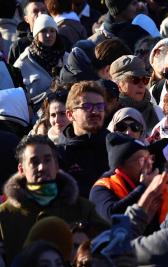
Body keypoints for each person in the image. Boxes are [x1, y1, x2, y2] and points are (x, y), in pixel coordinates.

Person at [0, 135, 109, 264]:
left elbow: (108, 248)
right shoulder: (4, 215)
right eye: (34, 162)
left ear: (56, 165)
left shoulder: (83, 208)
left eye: (47, 160)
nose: (42, 167)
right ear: (21, 169)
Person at [58, 81, 110, 198]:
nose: (95, 112)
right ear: (70, 114)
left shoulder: (116, 146)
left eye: (100, 106)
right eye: (87, 107)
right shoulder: (59, 155)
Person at [89, 133, 156, 220]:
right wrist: (143, 188)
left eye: (150, 158)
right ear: (121, 165)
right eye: (142, 160)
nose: (149, 163)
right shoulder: (101, 188)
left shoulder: (149, 181)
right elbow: (111, 216)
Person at [13, 13, 67, 103]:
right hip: (37, 115)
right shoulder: (22, 63)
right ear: (36, 35)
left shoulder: (67, 58)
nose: (48, 35)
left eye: (52, 31)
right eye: (43, 31)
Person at [110, 54, 162, 134]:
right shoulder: (109, 112)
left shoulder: (157, 111)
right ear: (118, 84)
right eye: (135, 79)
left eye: (145, 80)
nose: (141, 85)